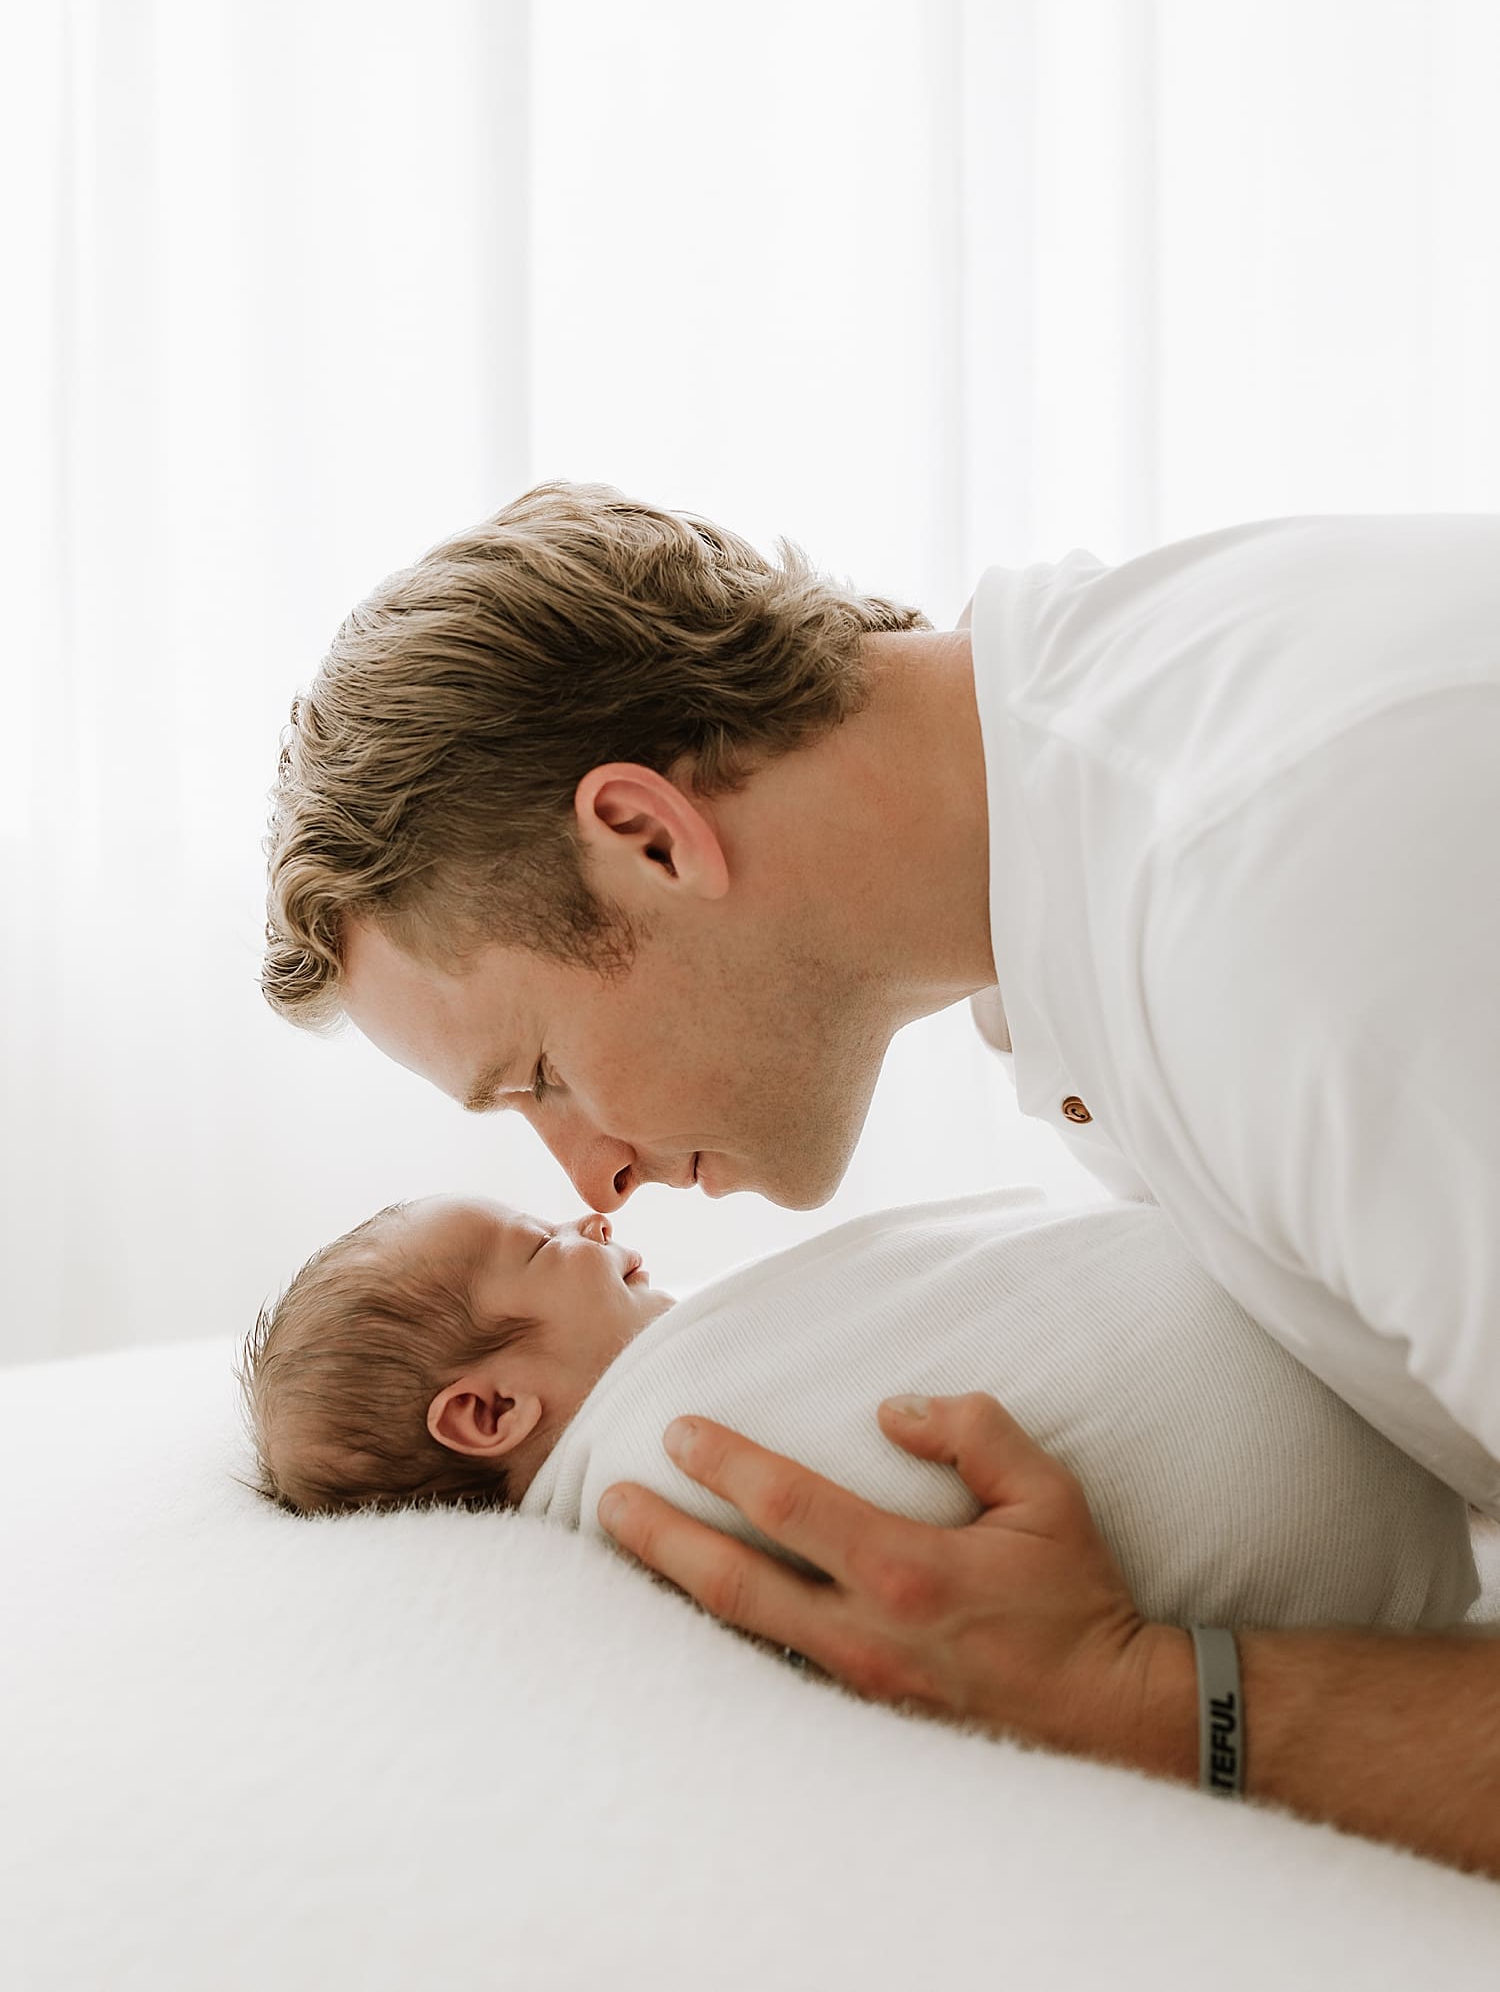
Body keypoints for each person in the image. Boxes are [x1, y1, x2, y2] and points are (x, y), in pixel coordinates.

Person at [261, 482, 1500, 1874]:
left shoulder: (1289, 926)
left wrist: (1148, 1699)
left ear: (652, 836)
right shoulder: (1096, 801)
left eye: (539, 1071)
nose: (593, 1175)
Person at [235, 1187, 1477, 1646]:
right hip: (1354, 1367)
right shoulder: (661, 1468)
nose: (594, 1217)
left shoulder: (692, 1375)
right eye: (539, 1241)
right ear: (491, 1408)